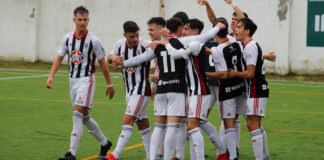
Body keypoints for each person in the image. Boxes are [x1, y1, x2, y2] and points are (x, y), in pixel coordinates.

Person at [46, 6, 115, 160]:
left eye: (85, 20)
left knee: (77, 114)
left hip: (87, 80)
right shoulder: (67, 38)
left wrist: (109, 84)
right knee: (84, 117)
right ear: (74, 20)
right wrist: (51, 76)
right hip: (72, 81)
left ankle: (72, 153)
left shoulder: (94, 40)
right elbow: (59, 58)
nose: (82, 23)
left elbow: (103, 63)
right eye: (80, 20)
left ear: (88, 20)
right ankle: (105, 143)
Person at [106, 21, 153, 160]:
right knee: (142, 123)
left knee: (128, 119)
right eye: (132, 36)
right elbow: (109, 57)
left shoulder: (145, 44)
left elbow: (159, 54)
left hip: (142, 89)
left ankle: (115, 155)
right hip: (129, 90)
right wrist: (113, 57)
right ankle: (152, 156)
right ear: (124, 35)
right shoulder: (119, 44)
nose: (135, 39)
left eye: (137, 35)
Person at [229, 18, 271, 160]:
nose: (236, 29)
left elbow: (250, 73)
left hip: (256, 88)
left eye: (239, 27)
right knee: (256, 124)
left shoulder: (250, 47)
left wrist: (234, 73)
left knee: (252, 124)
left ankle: (260, 157)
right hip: (255, 88)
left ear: (247, 31)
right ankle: (264, 157)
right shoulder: (248, 45)